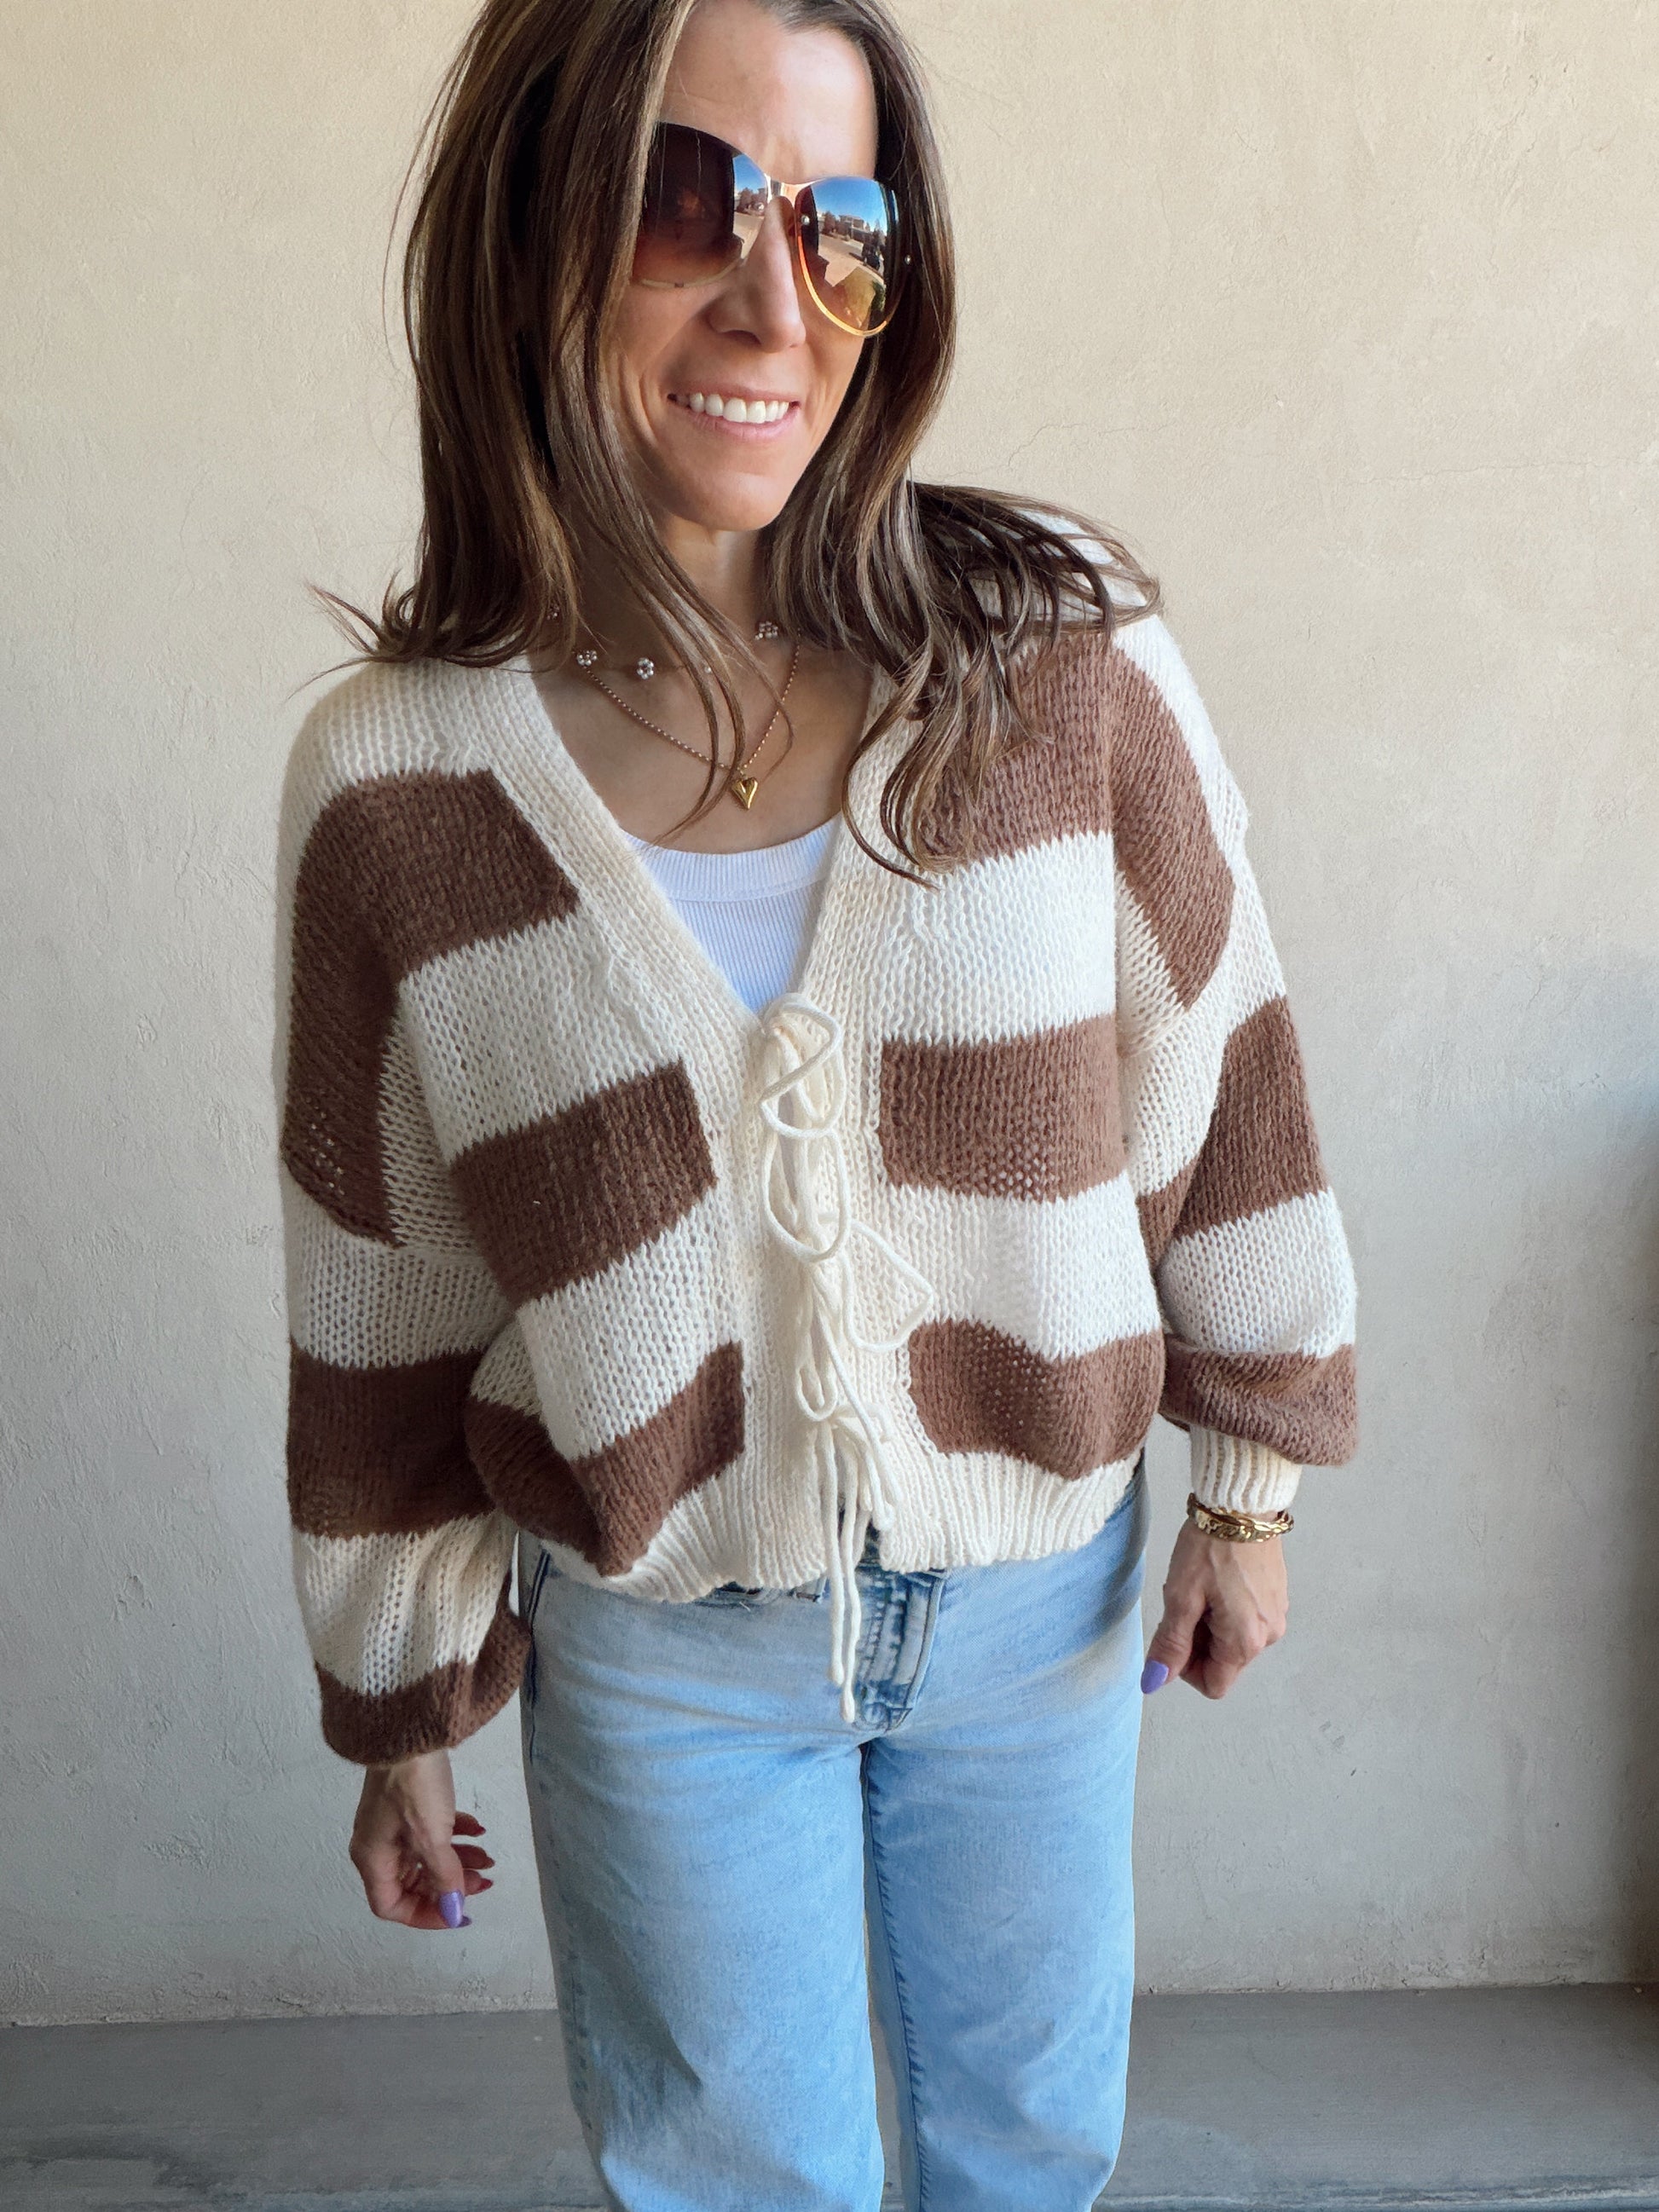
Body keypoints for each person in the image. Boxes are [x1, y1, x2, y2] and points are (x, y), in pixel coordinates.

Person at [272, 1, 1358, 2205]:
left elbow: (1221, 1071)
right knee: (735, 2182)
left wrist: (1247, 1484)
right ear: (531, 227)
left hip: (1041, 1608)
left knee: (1029, 2157)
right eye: (686, 204)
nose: (776, 302)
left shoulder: (1056, 662)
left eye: (840, 226)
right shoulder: (396, 779)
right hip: (661, 1646)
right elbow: (382, 1282)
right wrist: (401, 1696)